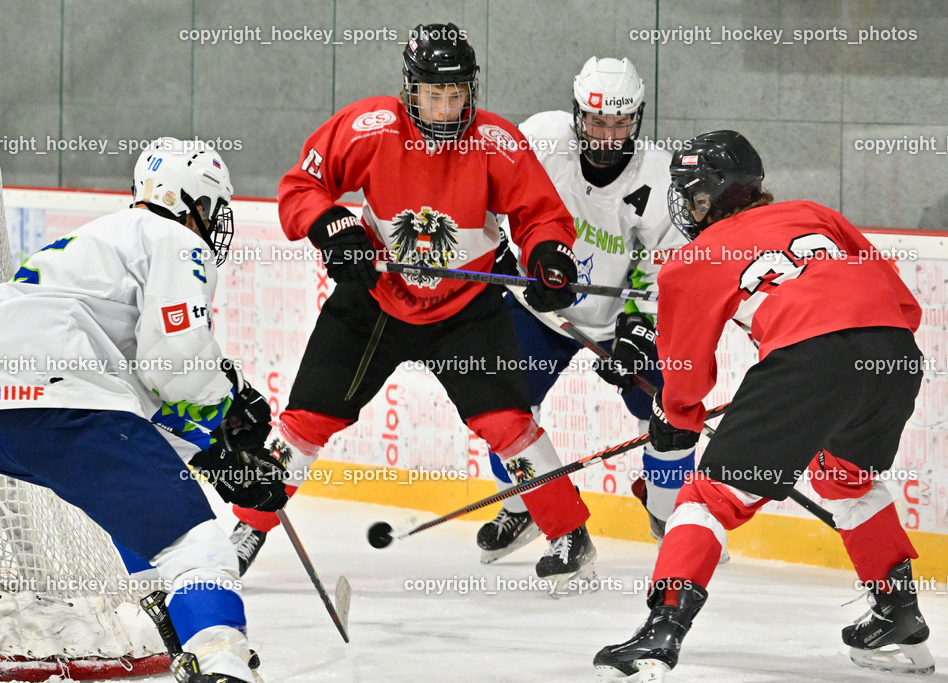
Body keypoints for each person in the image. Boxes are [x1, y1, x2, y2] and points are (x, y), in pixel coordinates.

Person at [228, 22, 596, 592]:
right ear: (410, 89)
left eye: (456, 94)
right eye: (434, 94)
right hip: (375, 300)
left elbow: (540, 214)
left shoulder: (494, 140)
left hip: (467, 307)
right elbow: (302, 187)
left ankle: (569, 533)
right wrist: (333, 228)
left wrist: (550, 255)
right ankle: (248, 528)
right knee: (306, 420)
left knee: (507, 421)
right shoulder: (370, 127)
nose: (446, 109)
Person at [0, 137, 286, 683]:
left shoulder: (100, 244)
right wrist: (226, 410)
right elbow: (175, 360)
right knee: (197, 541)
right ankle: (221, 661)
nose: (215, 221)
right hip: (57, 394)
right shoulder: (174, 238)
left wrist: (217, 455)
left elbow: (138, 420)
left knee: (138, 503)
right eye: (214, 206)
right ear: (191, 201)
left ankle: (171, 627)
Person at [593, 130, 932, 679]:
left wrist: (674, 417)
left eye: (691, 195)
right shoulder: (815, 214)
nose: (686, 206)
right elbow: (904, 305)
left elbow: (685, 372)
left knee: (707, 499)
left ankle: (660, 633)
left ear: (709, 196)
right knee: (847, 480)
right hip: (894, 357)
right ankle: (898, 614)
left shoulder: (694, 257)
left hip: (810, 365)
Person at [475, 56, 696, 564]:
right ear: (578, 114)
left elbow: (663, 265)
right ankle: (528, 506)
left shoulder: (658, 175)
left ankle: (675, 519)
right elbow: (485, 191)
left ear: (637, 118)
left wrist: (639, 329)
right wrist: (496, 250)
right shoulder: (541, 139)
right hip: (539, 306)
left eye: (620, 122)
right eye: (597, 121)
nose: (608, 135)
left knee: (671, 411)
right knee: (505, 403)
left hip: (622, 318)